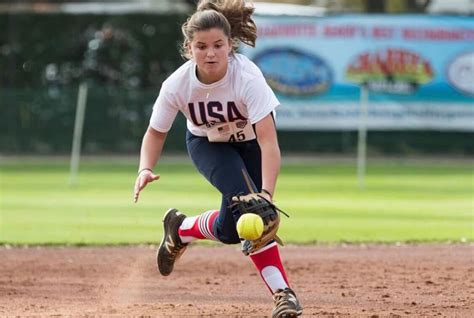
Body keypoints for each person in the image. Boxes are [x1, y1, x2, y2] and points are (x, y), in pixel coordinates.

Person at [133, 0, 303, 316]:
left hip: (251, 146)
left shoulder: (248, 78)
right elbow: (156, 132)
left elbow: (269, 142)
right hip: (208, 145)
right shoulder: (177, 84)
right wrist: (145, 167)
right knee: (249, 211)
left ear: (230, 45)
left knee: (230, 230)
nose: (210, 53)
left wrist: (267, 194)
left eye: (218, 45)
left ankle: (181, 228)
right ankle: (284, 294)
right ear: (188, 48)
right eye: (201, 46)